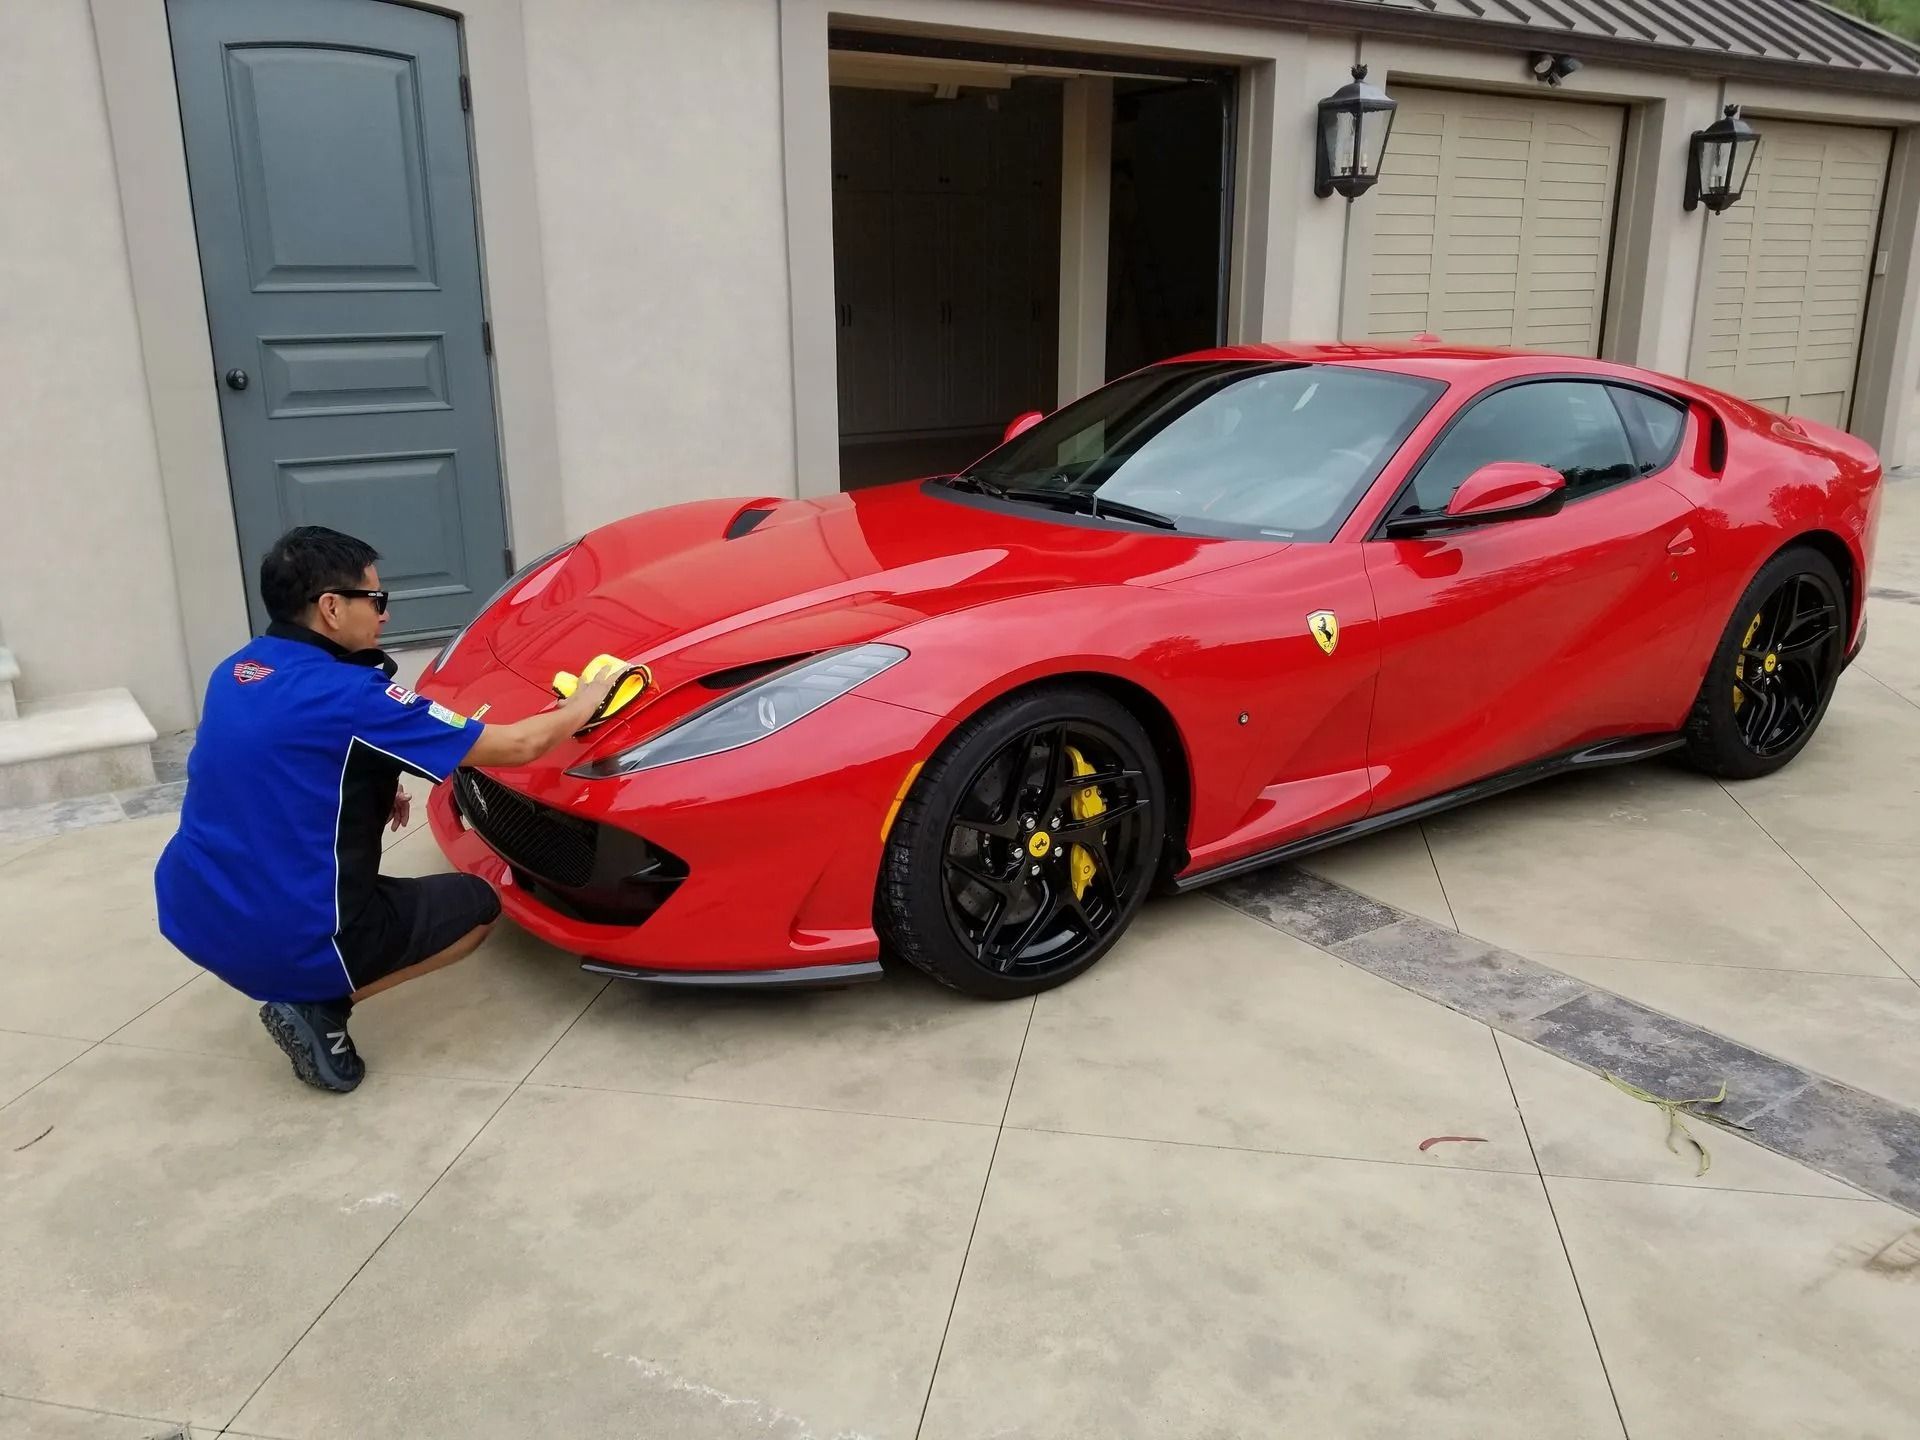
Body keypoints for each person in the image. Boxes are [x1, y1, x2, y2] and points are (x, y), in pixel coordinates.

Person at [154, 526, 618, 1094]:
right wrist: (584, 702)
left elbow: (272, 759)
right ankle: (320, 1002)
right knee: (477, 906)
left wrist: (374, 781)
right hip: (283, 935)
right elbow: (518, 745)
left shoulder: (239, 670)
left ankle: (305, 975)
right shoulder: (355, 698)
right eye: (374, 600)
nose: (385, 616)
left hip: (191, 907)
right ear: (330, 607)